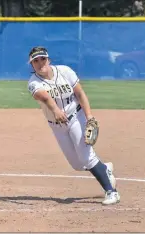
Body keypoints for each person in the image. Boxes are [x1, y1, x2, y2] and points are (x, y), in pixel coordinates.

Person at [27, 46, 120, 205]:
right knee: (77, 165)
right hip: (57, 125)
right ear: (32, 65)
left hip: (77, 117)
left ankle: (111, 192)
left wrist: (89, 116)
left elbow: (80, 93)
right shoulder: (33, 82)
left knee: (86, 157)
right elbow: (44, 97)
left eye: (42, 58)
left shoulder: (65, 71)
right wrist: (55, 110)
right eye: (35, 61)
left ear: (49, 59)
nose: (40, 62)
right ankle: (104, 168)